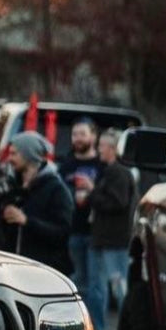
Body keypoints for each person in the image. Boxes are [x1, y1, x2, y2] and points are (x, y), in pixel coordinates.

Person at [0, 130, 74, 271]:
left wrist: (27, 221)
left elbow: (62, 232)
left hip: (46, 270)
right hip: (14, 268)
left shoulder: (56, 189)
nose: (9, 159)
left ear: (29, 155)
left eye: (14, 154)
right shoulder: (13, 186)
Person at [87, 129, 135, 330]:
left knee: (117, 288)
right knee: (100, 286)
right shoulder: (110, 171)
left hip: (113, 241)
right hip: (104, 239)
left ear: (113, 149)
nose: (98, 150)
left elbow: (119, 202)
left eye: (102, 146)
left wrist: (92, 192)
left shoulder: (118, 173)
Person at [56, 117, 101, 300]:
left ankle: (97, 327)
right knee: (77, 280)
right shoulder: (66, 166)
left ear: (94, 137)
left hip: (96, 232)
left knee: (96, 283)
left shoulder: (102, 165)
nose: (78, 138)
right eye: (75, 134)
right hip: (73, 231)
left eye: (83, 134)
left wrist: (92, 190)